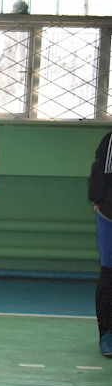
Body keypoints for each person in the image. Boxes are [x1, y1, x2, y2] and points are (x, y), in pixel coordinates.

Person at [88, 128, 112, 357]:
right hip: (110, 216)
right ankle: (107, 333)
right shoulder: (110, 140)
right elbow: (100, 171)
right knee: (109, 274)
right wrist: (97, 198)